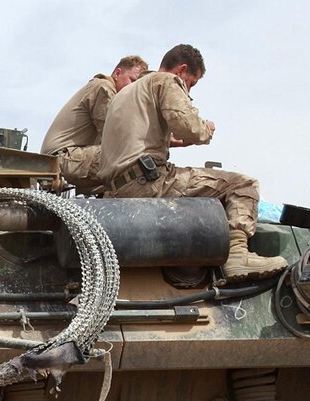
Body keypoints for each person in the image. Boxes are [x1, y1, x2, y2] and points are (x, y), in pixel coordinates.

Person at [99, 44, 286, 282]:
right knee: (243, 184)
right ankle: (237, 256)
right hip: (148, 182)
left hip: (115, 190)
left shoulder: (127, 93)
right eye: (191, 83)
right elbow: (187, 125)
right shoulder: (166, 81)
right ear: (182, 69)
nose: (188, 89)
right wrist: (205, 129)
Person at [40, 55, 148, 195]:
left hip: (68, 158)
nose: (133, 88)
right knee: (132, 157)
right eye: (132, 80)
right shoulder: (102, 87)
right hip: (61, 159)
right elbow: (116, 134)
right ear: (117, 73)